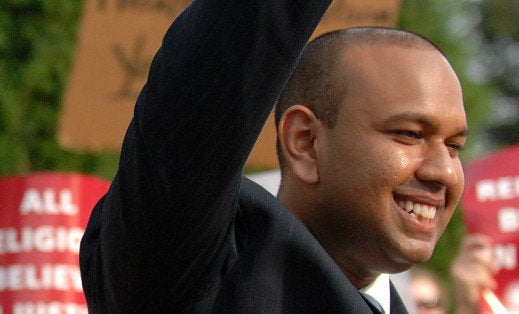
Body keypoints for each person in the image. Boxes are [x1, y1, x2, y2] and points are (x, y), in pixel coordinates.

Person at [79, 0, 469, 312]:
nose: (444, 171)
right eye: (410, 134)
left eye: (455, 147)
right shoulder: (198, 276)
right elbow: (192, 110)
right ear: (305, 141)